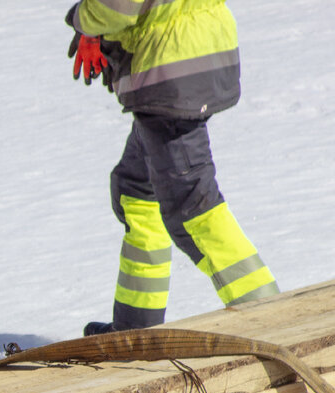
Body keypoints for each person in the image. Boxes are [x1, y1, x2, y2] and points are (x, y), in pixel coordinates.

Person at [65, 0, 279, 336]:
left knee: (193, 207)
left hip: (170, 67)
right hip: (201, 50)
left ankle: (276, 323)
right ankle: (136, 329)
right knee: (137, 188)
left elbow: (118, 5)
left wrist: (84, 20)